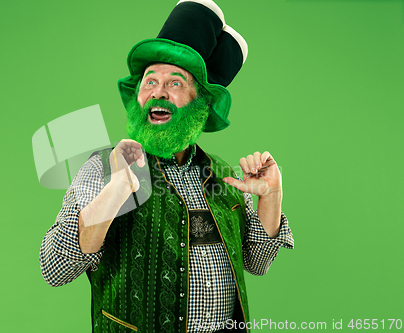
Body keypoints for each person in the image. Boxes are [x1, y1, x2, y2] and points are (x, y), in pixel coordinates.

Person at [39, 1, 294, 332]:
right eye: (149, 81)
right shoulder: (104, 167)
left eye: (175, 83)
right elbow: (55, 268)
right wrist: (115, 192)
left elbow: (257, 263)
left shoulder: (222, 174)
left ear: (199, 104)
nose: (158, 92)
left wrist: (270, 198)